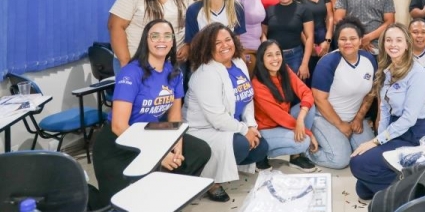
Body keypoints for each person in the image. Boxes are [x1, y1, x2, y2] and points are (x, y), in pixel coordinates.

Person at [93, 19, 211, 201]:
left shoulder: (174, 72)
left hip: (152, 134)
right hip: (118, 142)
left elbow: (174, 115)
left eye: (166, 36)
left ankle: (165, 197)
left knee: (199, 151)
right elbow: (118, 126)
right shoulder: (131, 73)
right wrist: (158, 156)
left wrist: (176, 143)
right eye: (154, 36)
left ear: (172, 42)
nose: (160, 40)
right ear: (146, 41)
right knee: (118, 204)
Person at [184, 23, 269, 202]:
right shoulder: (205, 73)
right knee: (240, 144)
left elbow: (247, 97)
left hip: (230, 125)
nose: (225, 45)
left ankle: (225, 164)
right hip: (204, 130)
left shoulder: (239, 63)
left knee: (261, 147)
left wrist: (251, 125)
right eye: (217, 42)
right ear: (207, 46)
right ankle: (210, 180)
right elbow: (217, 119)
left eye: (228, 39)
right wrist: (245, 131)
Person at [349, 24, 425, 200]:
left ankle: (413, 188)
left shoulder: (417, 72)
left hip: (412, 134)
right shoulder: (386, 69)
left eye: (399, 40)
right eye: (389, 40)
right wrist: (380, 140)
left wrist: (377, 142)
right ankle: (407, 181)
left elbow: (409, 119)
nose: (393, 44)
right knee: (362, 189)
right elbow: (384, 109)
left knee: (357, 164)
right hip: (393, 130)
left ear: (407, 44)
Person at [309, 17, 377, 169]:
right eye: (343, 39)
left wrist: (359, 118)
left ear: (360, 40)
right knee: (341, 160)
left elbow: (371, 92)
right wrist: (340, 125)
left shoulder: (369, 59)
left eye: (353, 38)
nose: (348, 43)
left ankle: (339, 142)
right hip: (325, 118)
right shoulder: (327, 63)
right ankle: (305, 151)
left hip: (353, 118)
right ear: (337, 41)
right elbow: (320, 100)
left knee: (368, 155)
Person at [109, 0, 193, 70]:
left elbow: (194, 29)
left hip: (172, 66)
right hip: (135, 63)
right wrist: (126, 62)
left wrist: (188, 46)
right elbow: (115, 26)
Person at [252, 40, 319, 171]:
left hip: (282, 123)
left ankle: (296, 157)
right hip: (266, 130)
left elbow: (306, 92)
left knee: (309, 107)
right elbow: (280, 117)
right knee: (304, 142)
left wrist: (300, 119)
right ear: (261, 59)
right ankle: (261, 154)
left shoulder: (284, 71)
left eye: (278, 54)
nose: (275, 58)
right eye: (269, 55)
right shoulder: (258, 84)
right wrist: (309, 133)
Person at [262, 0, 314, 78]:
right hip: (273, 57)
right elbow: (263, 33)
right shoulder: (269, 10)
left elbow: (309, 37)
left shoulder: (303, 10)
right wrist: (266, 50)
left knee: (296, 90)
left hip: (295, 56)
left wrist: (304, 64)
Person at [295, 0, 334, 80]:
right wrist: (309, 45)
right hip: (306, 42)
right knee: (309, 77)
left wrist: (327, 41)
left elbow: (330, 17)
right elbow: (297, 24)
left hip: (324, 40)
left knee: (326, 76)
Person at [235, 0, 266, 75]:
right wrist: (239, 53)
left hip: (258, 50)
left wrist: (263, 39)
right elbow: (234, 27)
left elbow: (258, 22)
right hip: (245, 52)